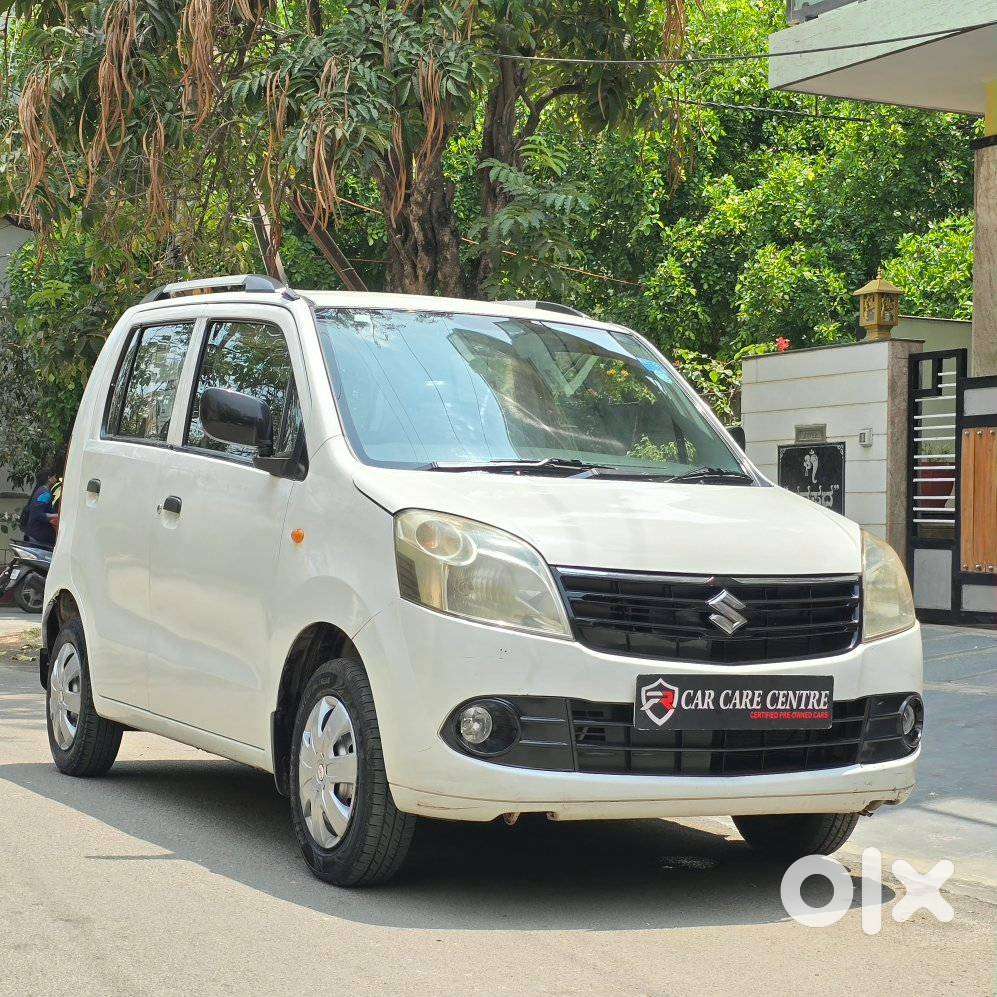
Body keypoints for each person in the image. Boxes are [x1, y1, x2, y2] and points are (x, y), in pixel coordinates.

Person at [23, 468, 60, 548]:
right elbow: (38, 514)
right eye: (54, 477)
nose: (56, 479)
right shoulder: (45, 494)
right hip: (38, 533)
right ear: (49, 478)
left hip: (33, 531)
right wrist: (58, 515)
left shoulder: (40, 490)